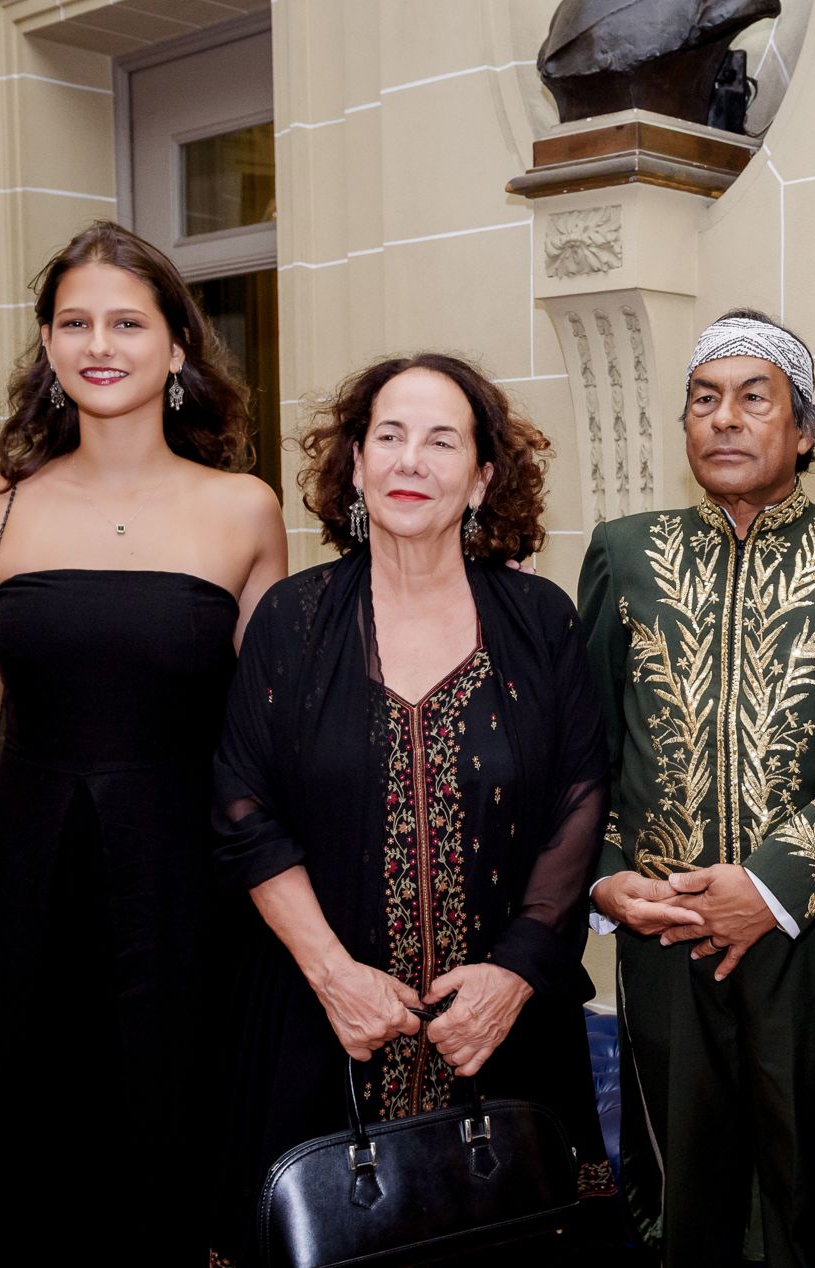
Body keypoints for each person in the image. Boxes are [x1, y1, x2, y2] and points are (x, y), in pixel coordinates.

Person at [0, 220, 287, 1264]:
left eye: (128, 322)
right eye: (75, 321)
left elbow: (267, 734)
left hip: (187, 878)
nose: (100, 342)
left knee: (167, 1133)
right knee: (24, 1138)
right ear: (48, 345)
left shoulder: (242, 509)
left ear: (178, 346)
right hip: (29, 866)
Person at [210, 353, 618, 1263]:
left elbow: (581, 798)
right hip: (318, 1027)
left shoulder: (540, 620)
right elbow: (242, 806)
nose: (410, 461)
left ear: (480, 480)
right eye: (388, 437)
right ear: (354, 465)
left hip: (504, 1036)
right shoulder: (292, 618)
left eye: (442, 442)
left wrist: (514, 974)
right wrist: (333, 976)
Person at [579, 309, 815, 1268]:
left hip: (811, 926)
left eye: (753, 398)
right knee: (680, 1194)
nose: (724, 419)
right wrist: (607, 877)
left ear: (805, 431)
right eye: (704, 398)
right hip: (660, 926)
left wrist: (768, 888)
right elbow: (586, 745)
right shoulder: (623, 550)